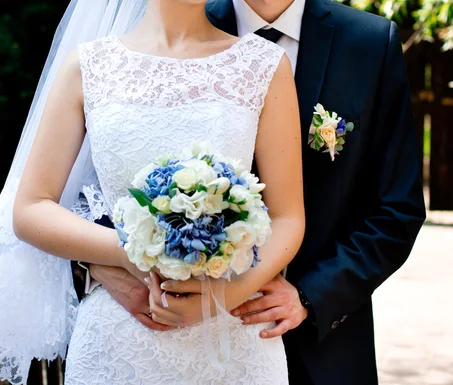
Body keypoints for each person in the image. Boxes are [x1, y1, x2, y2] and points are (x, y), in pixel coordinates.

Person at [86, 0, 427, 384]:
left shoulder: (367, 43)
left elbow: (397, 209)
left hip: (324, 343)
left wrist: (310, 296)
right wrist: (100, 263)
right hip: (174, 336)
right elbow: (97, 177)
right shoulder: (178, 17)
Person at [0, 0, 305, 384]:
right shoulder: (88, 66)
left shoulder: (263, 65)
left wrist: (224, 297)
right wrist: (131, 252)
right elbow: (31, 209)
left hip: (234, 339)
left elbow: (287, 216)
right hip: (119, 338)